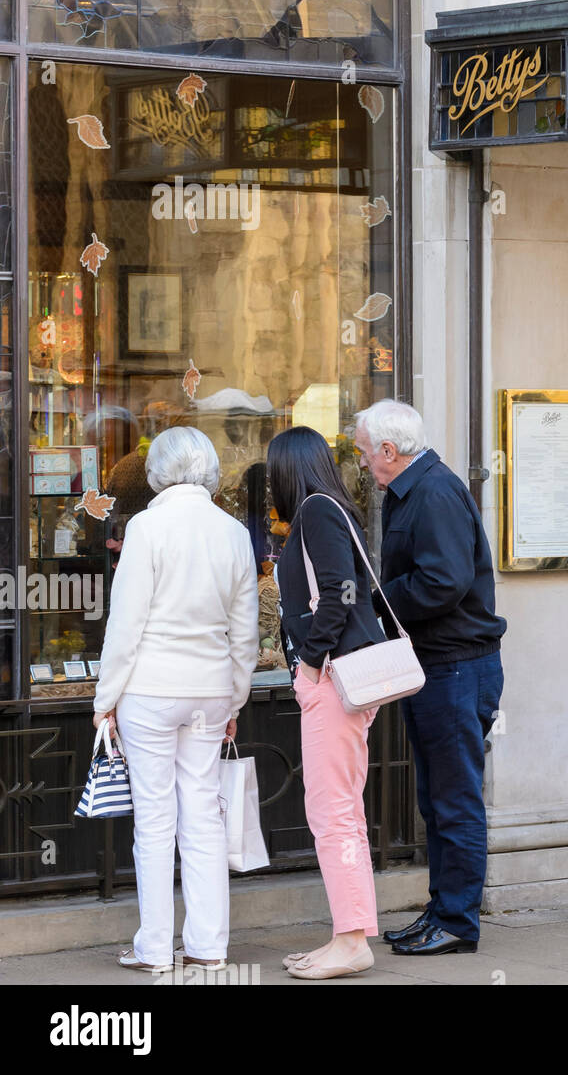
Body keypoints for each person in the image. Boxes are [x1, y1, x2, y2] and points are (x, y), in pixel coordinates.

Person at [91, 426, 258, 974]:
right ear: (208, 468)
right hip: (210, 690)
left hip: (152, 690)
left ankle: (155, 948)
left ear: (158, 471)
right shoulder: (233, 531)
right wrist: (235, 700)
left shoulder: (146, 526)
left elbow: (126, 624)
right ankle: (209, 946)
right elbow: (246, 631)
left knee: (156, 821)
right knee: (204, 818)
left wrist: (105, 697)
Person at [355, 400, 507, 957]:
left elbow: (442, 581)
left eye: (367, 453)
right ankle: (442, 911)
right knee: (438, 799)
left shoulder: (435, 492)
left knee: (454, 799)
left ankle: (457, 922)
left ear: (390, 452)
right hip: (441, 665)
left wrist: (376, 604)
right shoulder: (417, 489)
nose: (365, 463)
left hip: (457, 667)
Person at [270, 425, 389, 980]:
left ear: (286, 470)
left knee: (333, 816)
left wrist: (310, 666)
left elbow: (340, 591)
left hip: (334, 682)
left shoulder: (317, 512)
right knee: (344, 813)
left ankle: (349, 941)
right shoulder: (330, 508)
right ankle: (350, 933)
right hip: (342, 679)